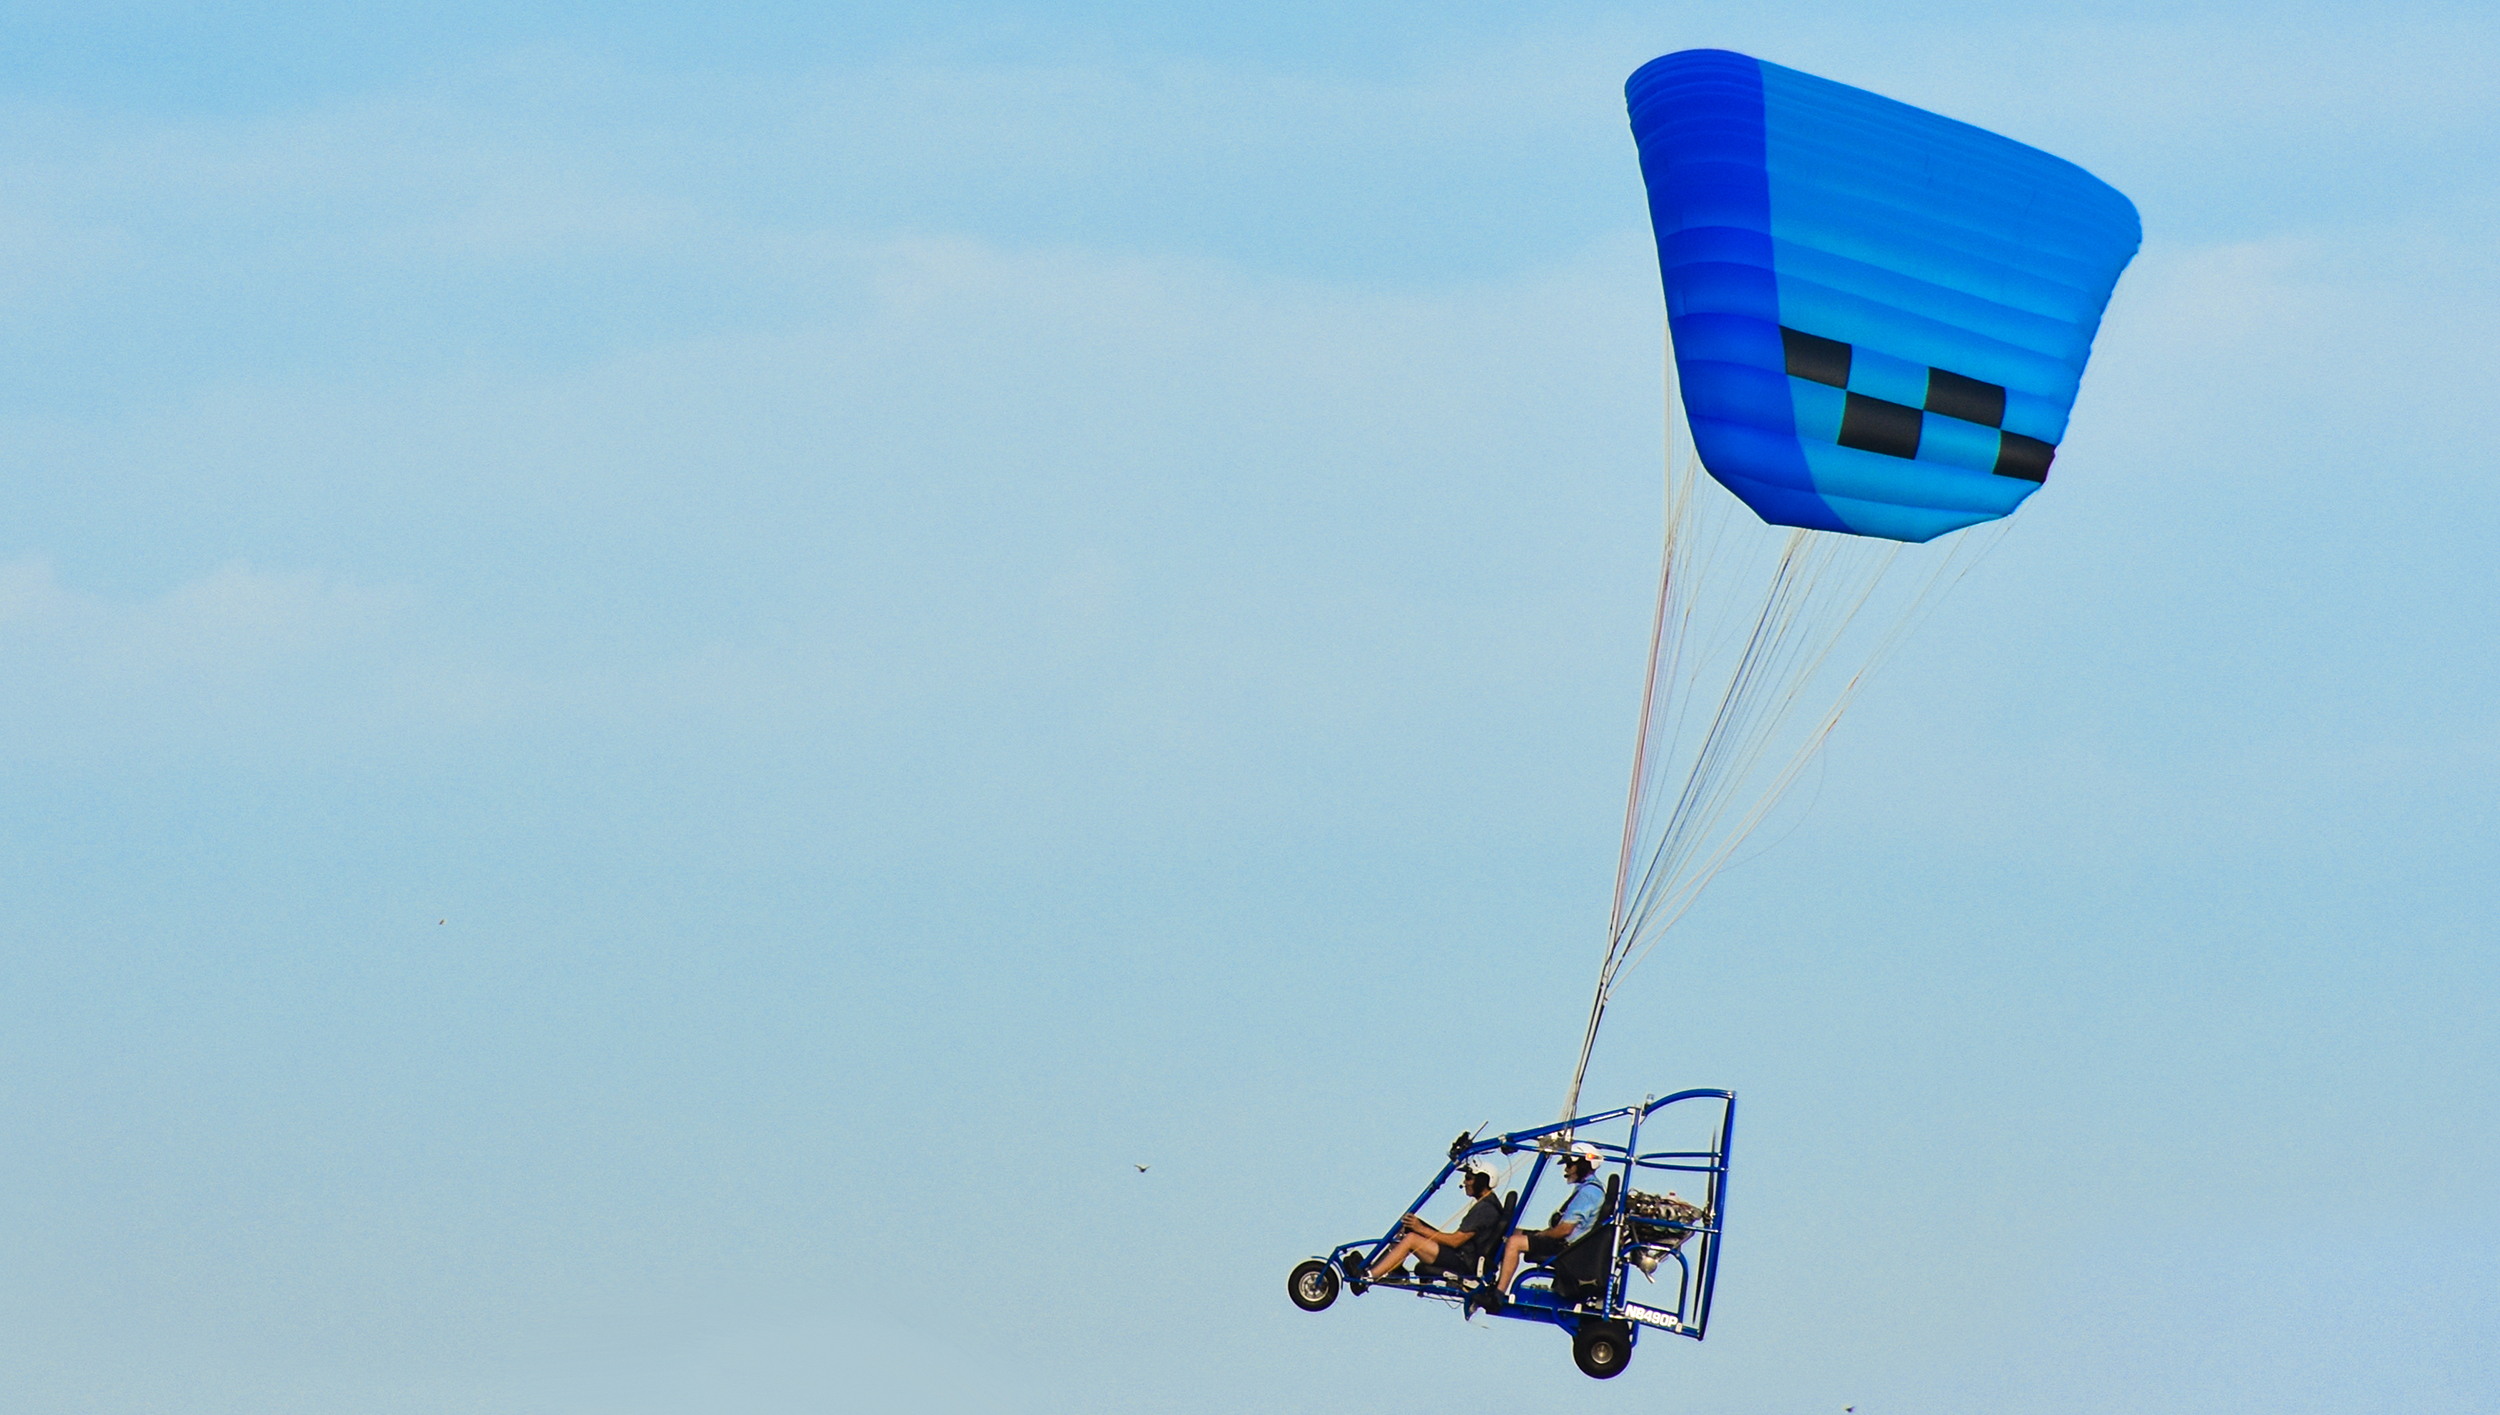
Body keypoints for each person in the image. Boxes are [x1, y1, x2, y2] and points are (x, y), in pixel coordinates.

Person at [1489, 1143, 1607, 1302]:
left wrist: (1543, 1234)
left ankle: (1497, 1295)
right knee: (1513, 1231)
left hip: (1567, 1248)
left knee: (1514, 1242)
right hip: (1565, 1243)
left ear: (1583, 1164)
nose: (1566, 1169)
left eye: (1570, 1165)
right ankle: (1488, 1277)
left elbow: (1565, 1230)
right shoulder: (1588, 1188)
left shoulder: (1589, 1192)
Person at [1364, 1167, 1501, 1283]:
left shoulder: (1485, 1209)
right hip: (1461, 1255)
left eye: (1469, 1178)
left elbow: (1455, 1241)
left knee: (1412, 1239)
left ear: (1482, 1181)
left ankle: (1369, 1278)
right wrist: (1417, 1227)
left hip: (1464, 1263)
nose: (1464, 1182)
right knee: (1408, 1225)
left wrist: (1420, 1229)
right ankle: (1388, 1269)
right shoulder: (1487, 1204)